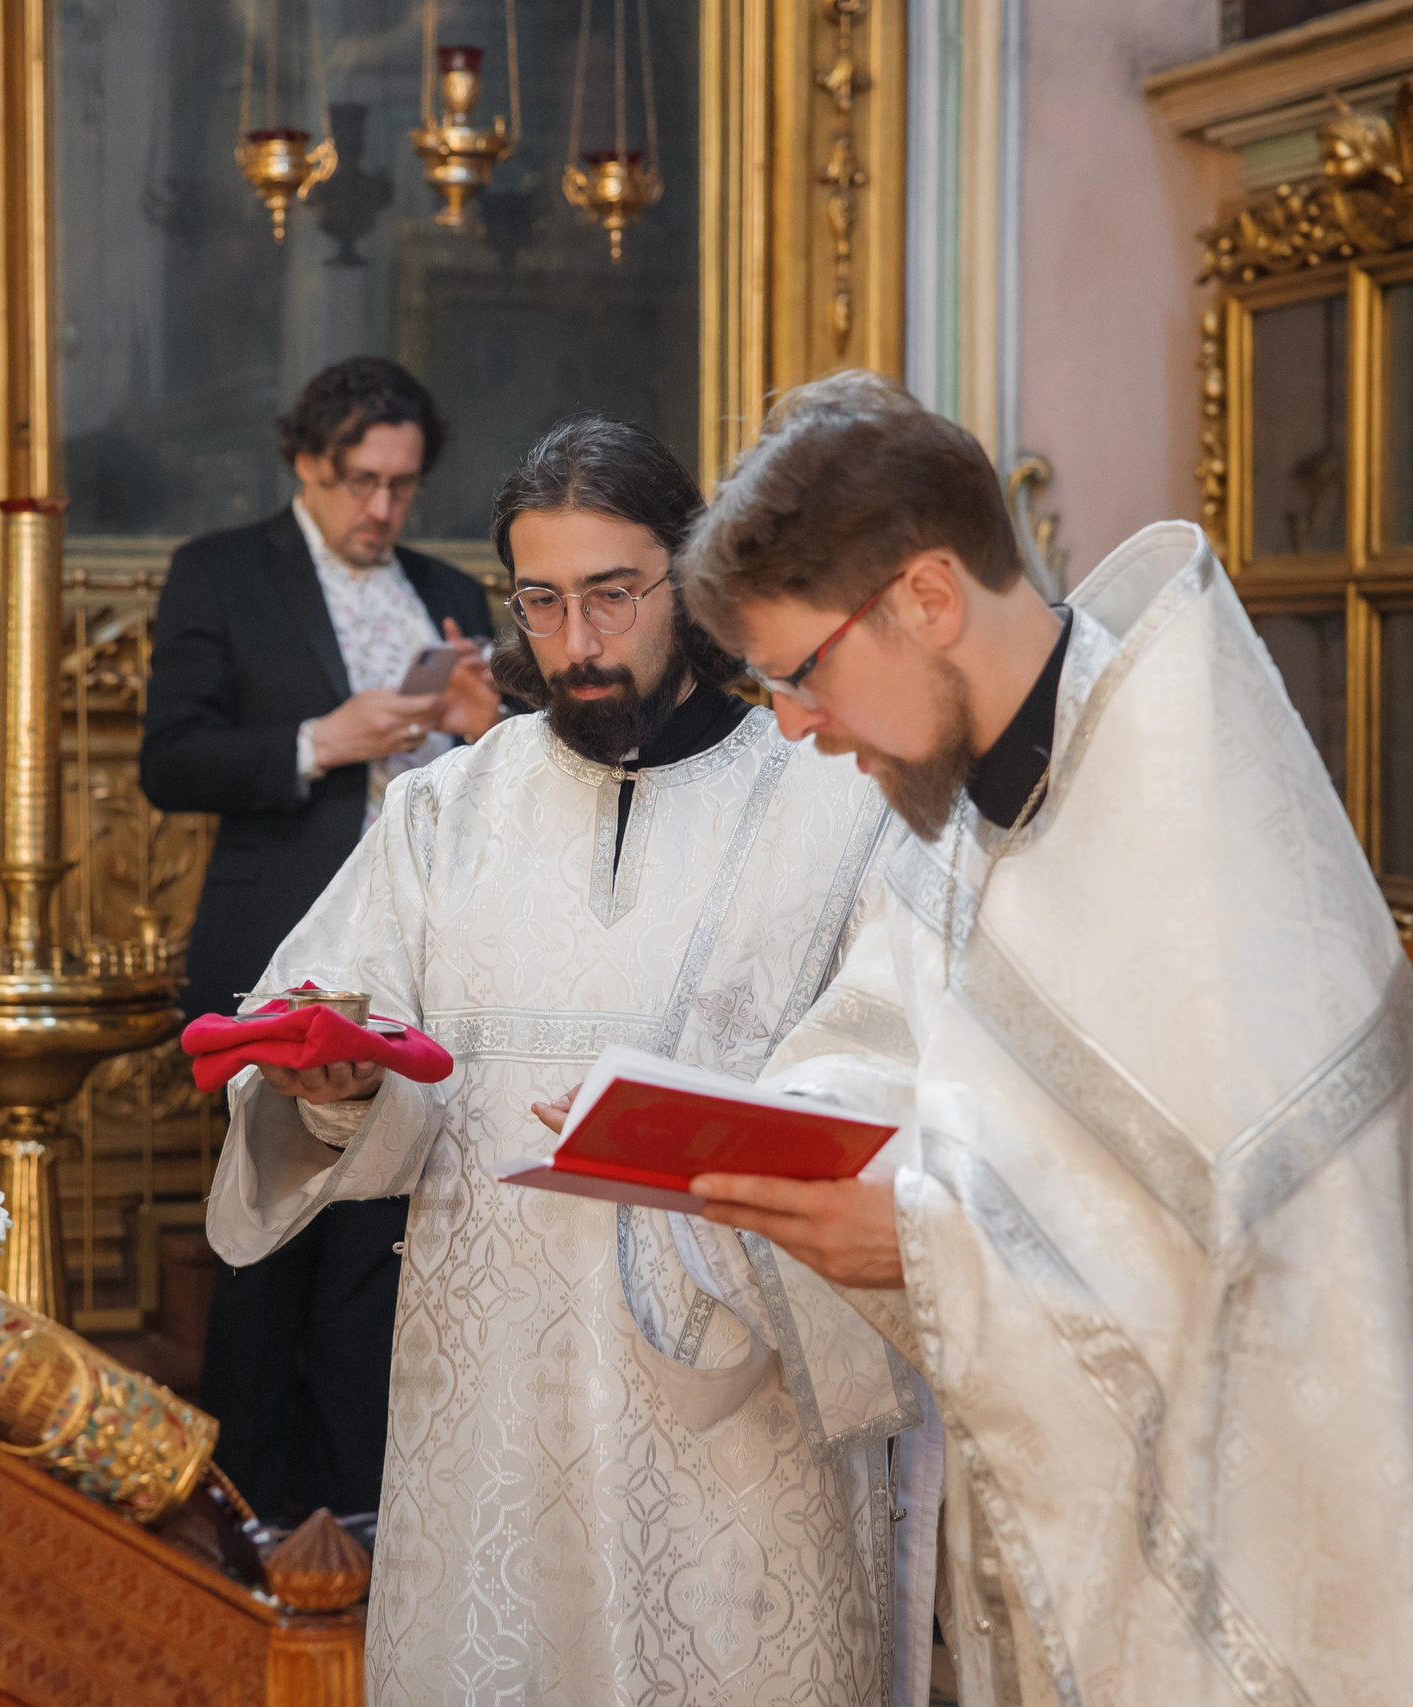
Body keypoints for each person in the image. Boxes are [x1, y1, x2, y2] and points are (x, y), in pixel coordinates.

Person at [669, 370, 1413, 1706]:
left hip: (1266, 1578)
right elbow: (879, 1031)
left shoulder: (1191, 810)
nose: (796, 724)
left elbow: (1274, 1258)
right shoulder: (964, 810)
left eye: (801, 673)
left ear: (926, 597)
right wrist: (774, 1137)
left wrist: (926, 1242)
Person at [205, 416, 917, 1704]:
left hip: (734, 1420)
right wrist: (338, 1089)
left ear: (691, 580)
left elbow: (901, 1078)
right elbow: (328, 1038)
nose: (576, 642)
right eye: (540, 601)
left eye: (612, 595)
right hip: (493, 1415)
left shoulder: (837, 799)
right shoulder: (444, 810)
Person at [141, 355, 500, 1524]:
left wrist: (486, 727)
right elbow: (170, 760)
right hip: (282, 950)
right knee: (268, 1245)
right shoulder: (220, 572)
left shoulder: (447, 588)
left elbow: (508, 784)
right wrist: (320, 740)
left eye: (401, 485)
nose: (380, 508)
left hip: (426, 964)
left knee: (379, 1251)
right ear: (305, 460)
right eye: (359, 482)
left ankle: (368, 1526)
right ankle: (247, 1527)